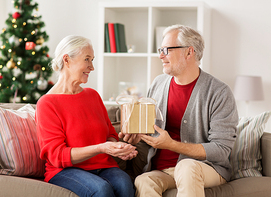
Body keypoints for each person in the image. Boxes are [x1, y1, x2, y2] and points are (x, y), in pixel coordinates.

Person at [119, 24, 239, 197]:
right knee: (143, 180)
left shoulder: (219, 92)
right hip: (163, 170)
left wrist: (172, 145)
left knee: (186, 166)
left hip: (206, 168)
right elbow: (151, 132)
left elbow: (221, 150)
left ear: (189, 52)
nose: (160, 55)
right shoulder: (158, 84)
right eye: (160, 49)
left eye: (166, 50)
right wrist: (138, 137)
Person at [36, 35, 137, 197]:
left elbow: (110, 134)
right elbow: (57, 156)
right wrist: (101, 147)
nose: (92, 67)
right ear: (67, 60)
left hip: (103, 166)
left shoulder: (93, 96)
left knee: (124, 183)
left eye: (92, 60)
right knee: (101, 189)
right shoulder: (47, 103)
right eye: (87, 59)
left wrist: (118, 149)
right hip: (65, 171)